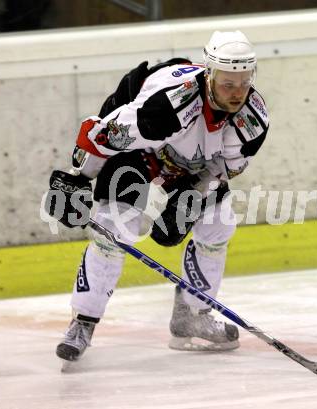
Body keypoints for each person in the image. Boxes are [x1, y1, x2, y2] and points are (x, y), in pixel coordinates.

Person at [45, 30, 269, 362]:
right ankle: (83, 322)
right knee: (113, 229)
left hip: (191, 165)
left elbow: (222, 169)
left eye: (243, 82)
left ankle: (192, 315)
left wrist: (191, 196)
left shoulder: (252, 119)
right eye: (227, 83)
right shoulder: (167, 106)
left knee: (219, 223)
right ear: (209, 75)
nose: (237, 92)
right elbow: (103, 135)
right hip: (138, 152)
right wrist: (78, 179)